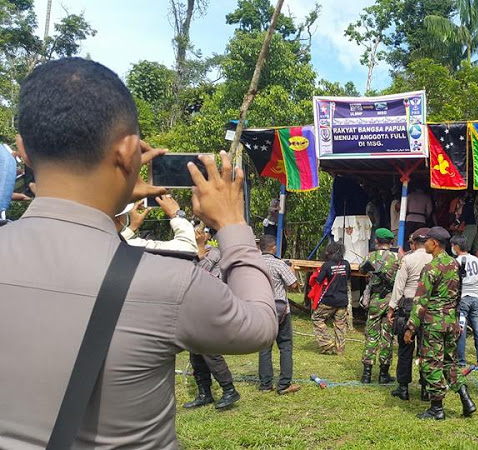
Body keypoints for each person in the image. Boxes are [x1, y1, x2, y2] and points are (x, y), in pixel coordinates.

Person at [0, 58, 277, 449]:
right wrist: (232, 224)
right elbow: (261, 324)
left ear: (24, 151)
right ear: (130, 152)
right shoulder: (167, 282)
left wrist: (108, 192)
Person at [404, 226, 477, 420]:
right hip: (451, 323)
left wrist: (411, 327)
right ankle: (466, 399)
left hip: (433, 324)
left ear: (434, 243)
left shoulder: (430, 268)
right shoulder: (455, 265)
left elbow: (420, 300)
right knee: (449, 363)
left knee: (431, 364)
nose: (424, 243)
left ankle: (436, 409)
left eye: (426, 240)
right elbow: (458, 296)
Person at [183, 225, 240, 410]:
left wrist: (199, 248)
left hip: (209, 306)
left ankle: (229, 389)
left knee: (209, 350)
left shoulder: (213, 253)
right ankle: (204, 393)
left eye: (201, 232)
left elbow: (200, 273)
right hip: (194, 306)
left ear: (207, 235)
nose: (197, 235)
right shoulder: (190, 253)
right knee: (195, 354)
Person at [387, 227, 433, 400]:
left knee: (405, 349)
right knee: (425, 350)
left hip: (407, 306)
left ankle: (403, 387)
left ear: (414, 242)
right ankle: (426, 388)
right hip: (427, 308)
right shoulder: (434, 260)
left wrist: (391, 308)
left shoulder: (407, 259)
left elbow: (399, 287)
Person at [258, 234, 301, 395]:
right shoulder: (279, 264)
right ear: (274, 247)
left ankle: (265, 384)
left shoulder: (254, 263)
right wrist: (291, 270)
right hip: (280, 308)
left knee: (264, 347)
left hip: (261, 308)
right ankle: (284, 384)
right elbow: (294, 285)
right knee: (285, 346)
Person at [359, 228, 399, 384]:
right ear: (391, 242)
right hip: (390, 300)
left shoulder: (371, 256)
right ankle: (383, 374)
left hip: (375, 300)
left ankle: (366, 374)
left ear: (376, 241)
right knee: (387, 336)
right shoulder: (397, 258)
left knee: (371, 335)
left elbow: (362, 270)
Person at [451, 235, 478, 367]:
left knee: (461, 330)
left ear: (456, 247)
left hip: (462, 298)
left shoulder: (455, 262)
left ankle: (461, 361)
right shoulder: (477, 261)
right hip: (476, 297)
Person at [117, 195, 197, 254]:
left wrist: (132, 228)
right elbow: (188, 249)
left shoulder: (109, 246)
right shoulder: (133, 246)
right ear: (118, 218)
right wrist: (176, 214)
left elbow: (118, 240)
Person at [312, 242, 351, 355]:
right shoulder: (346, 264)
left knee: (317, 318)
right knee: (340, 324)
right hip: (343, 300)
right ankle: (340, 350)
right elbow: (347, 278)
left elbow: (319, 280)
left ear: (330, 253)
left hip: (329, 300)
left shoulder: (327, 265)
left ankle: (327, 343)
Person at [404, 185, 433, 249]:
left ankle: (407, 249)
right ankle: (419, 249)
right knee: (420, 238)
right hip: (421, 219)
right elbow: (429, 210)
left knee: (407, 237)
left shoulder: (410, 195)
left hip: (410, 218)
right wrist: (426, 217)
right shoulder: (426, 197)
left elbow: (404, 207)